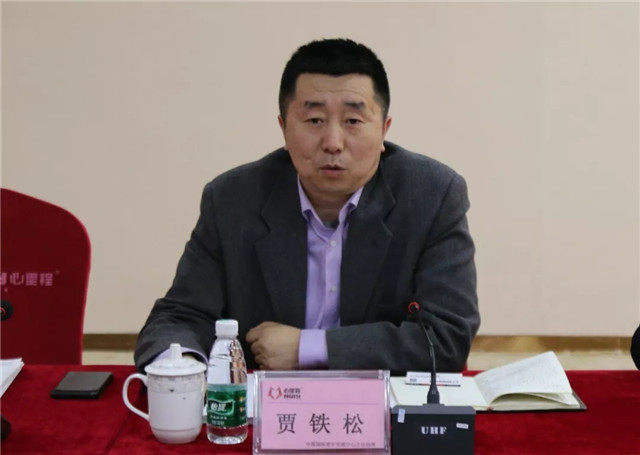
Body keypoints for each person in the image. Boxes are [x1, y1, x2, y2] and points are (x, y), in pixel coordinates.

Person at [134, 38, 480, 373]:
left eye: (353, 121)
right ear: (284, 129)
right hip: (265, 404)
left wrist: (308, 348)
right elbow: (181, 316)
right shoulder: (231, 200)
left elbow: (446, 337)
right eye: (314, 120)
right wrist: (181, 370)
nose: (333, 142)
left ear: (384, 131)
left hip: (383, 404)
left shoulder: (431, 196)